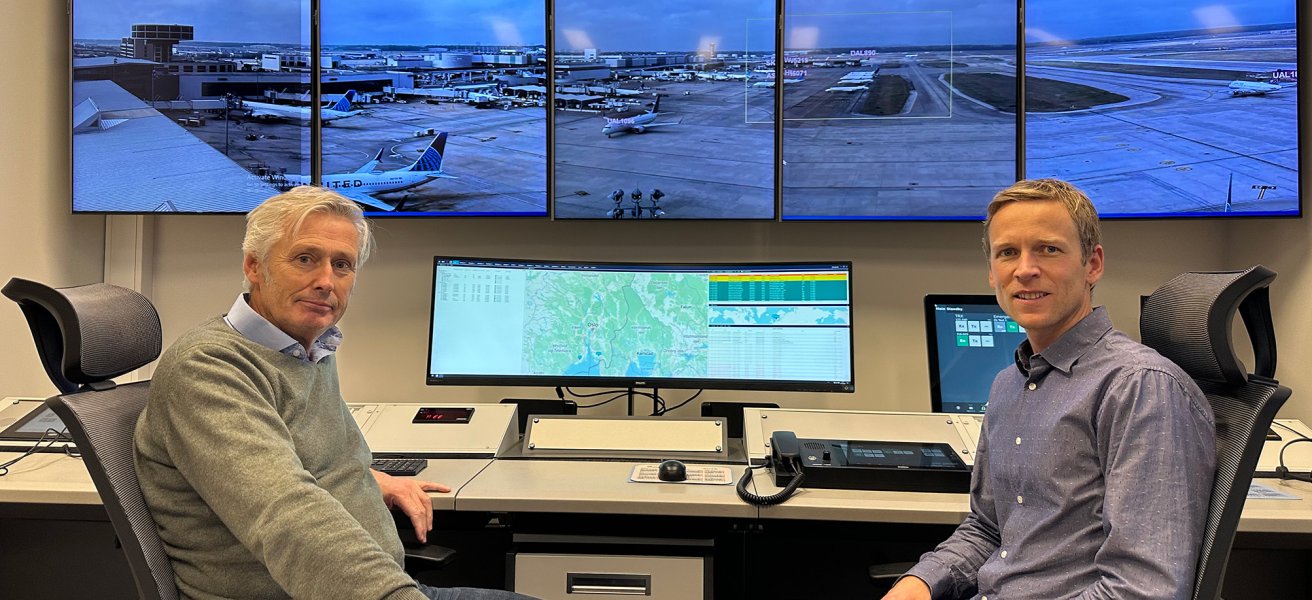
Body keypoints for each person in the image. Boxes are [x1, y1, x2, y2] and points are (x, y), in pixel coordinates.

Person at [135, 186, 536, 600]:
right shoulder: (209, 368)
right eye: (305, 259)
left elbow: (294, 461)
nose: (326, 281)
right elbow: (287, 516)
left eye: (341, 265)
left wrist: (373, 479)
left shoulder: (308, 347)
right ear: (254, 266)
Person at [883, 179, 1217, 600]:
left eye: (1048, 249)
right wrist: (919, 584)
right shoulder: (1009, 384)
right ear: (992, 273)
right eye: (1007, 253)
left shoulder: (1139, 388)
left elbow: (1142, 590)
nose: (1024, 269)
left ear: (1092, 264)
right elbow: (989, 529)